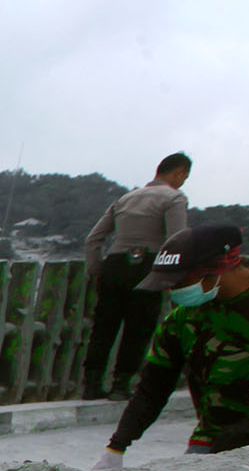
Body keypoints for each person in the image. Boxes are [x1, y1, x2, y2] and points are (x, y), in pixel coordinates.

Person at [91, 225, 249, 469]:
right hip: (215, 446)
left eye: (178, 282)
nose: (172, 291)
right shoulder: (181, 321)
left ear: (216, 268)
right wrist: (116, 447)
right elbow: (152, 389)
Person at [81, 152, 191, 398]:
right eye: (184, 176)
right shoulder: (174, 198)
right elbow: (177, 241)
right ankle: (120, 385)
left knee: (104, 327)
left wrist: (98, 271)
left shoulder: (125, 198)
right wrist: (172, 277)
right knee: (138, 329)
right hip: (148, 267)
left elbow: (93, 240)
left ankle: (91, 384)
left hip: (115, 264)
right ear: (179, 173)